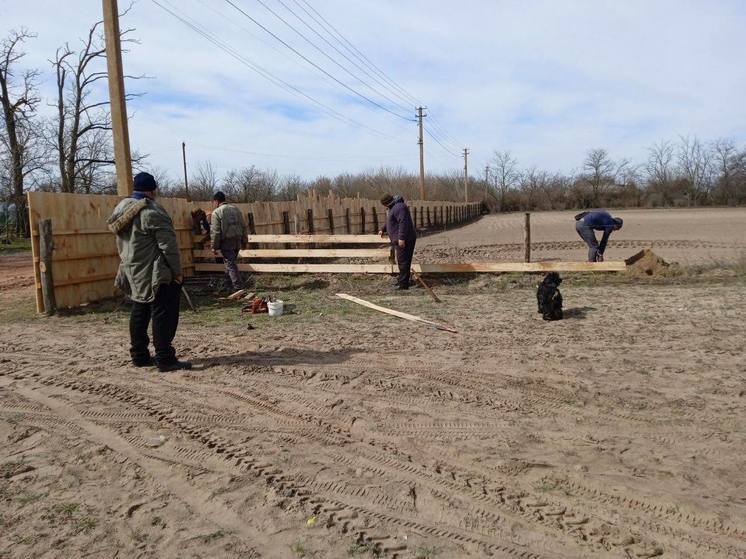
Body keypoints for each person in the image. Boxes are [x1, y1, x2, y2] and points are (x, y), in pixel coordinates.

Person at [107, 172, 191, 372]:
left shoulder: (120, 209)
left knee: (139, 311)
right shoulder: (152, 211)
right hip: (155, 272)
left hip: (132, 270)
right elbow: (167, 246)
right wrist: (177, 272)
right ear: (152, 190)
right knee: (163, 313)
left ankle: (140, 356)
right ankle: (164, 357)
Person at [210, 191, 248, 291]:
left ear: (216, 201)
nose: (213, 204)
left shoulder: (217, 212)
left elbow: (216, 231)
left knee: (230, 264)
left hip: (227, 241)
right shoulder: (236, 209)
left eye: (213, 202)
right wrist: (244, 241)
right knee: (230, 263)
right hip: (237, 240)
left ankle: (238, 287)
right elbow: (244, 226)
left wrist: (214, 246)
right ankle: (228, 285)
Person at [379, 194, 417, 290]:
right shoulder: (395, 207)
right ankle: (403, 281)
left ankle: (403, 284)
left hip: (405, 240)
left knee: (403, 262)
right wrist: (383, 229)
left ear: (387, 203)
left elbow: (403, 222)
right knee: (403, 262)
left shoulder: (399, 207)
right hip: (401, 239)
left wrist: (401, 238)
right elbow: (391, 220)